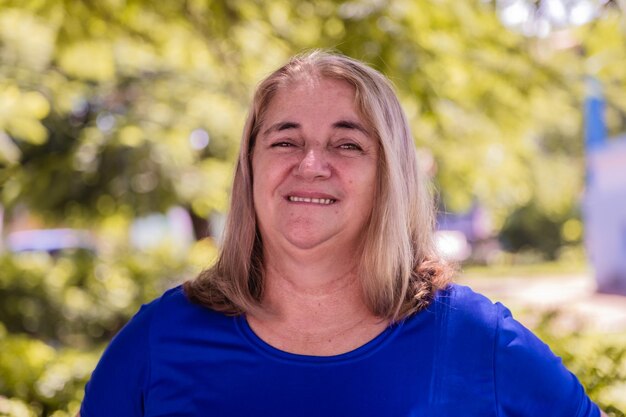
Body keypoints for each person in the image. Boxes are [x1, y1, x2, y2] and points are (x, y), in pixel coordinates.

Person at [78, 51, 604, 417]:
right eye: (285, 141)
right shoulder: (159, 340)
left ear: (388, 177)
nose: (311, 164)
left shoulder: (473, 339)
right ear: (251, 168)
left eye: (347, 144)